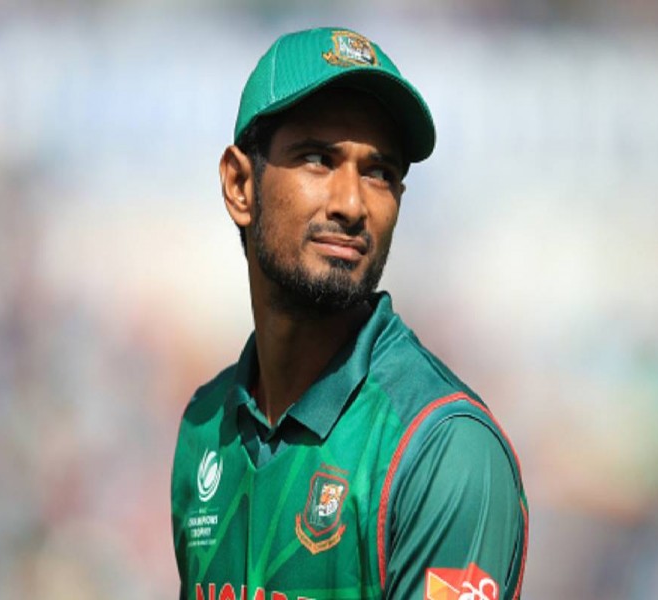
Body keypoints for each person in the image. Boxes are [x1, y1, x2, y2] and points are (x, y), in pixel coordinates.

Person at [171, 27, 527, 600]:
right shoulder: (205, 428)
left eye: (379, 172)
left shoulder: (444, 448)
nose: (352, 204)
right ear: (240, 185)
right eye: (318, 159)